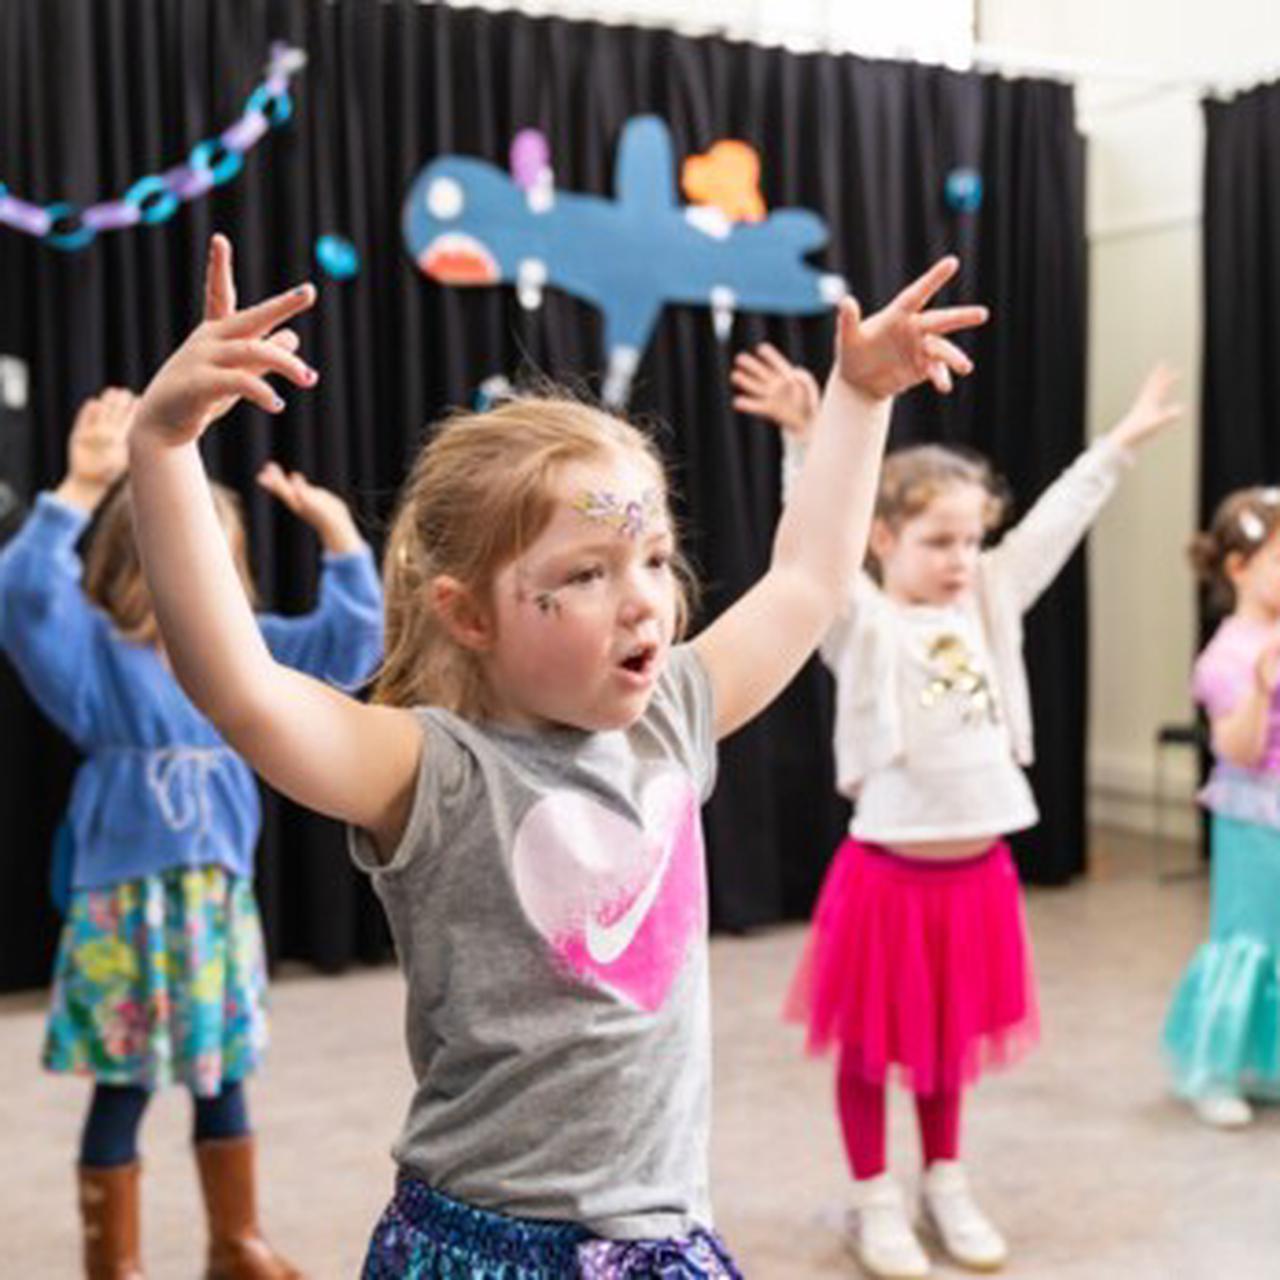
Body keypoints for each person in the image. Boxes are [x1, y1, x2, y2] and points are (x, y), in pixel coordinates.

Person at [122, 233, 986, 1276]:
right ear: (468, 614)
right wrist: (162, 450)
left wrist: (857, 396)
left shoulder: (669, 714)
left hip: (660, 1236)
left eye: (655, 557)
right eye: (583, 572)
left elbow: (806, 578)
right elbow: (245, 693)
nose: (641, 597)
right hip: (484, 1248)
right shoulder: (433, 771)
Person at [733, 341, 1180, 1277]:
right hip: (888, 876)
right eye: (941, 542)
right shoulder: (859, 620)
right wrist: (810, 441)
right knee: (869, 1048)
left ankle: (944, 1179)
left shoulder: (993, 601)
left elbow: (1059, 520)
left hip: (977, 878)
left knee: (947, 1046)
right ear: (884, 539)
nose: (963, 560)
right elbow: (812, 542)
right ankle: (871, 1197)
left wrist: (1121, 445)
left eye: (973, 540)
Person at [0, 384, 384, 1278]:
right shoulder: (93, 658)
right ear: (143, 561)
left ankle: (235, 1242)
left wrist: (339, 537)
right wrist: (79, 489)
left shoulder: (247, 654)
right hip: (123, 908)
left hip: (213, 900)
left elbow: (354, 644)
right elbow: (22, 597)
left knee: (225, 1071)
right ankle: (115, 1260)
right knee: (123, 1082)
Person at [1163, 486, 1280, 1128]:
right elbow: (1236, 747)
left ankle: (1267, 1066)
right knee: (1246, 942)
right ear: (1238, 569)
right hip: (1255, 817)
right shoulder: (1228, 654)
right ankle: (1213, 1070)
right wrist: (1262, 688)